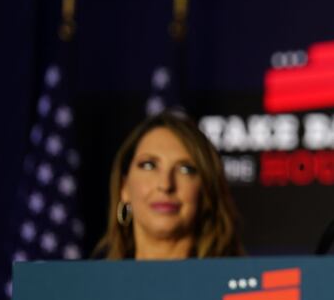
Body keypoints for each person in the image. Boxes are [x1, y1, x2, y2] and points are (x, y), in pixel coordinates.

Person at [94, 110, 245, 259]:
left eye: (185, 169)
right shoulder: (96, 282)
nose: (166, 185)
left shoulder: (236, 281)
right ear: (124, 187)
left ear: (206, 190)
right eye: (149, 165)